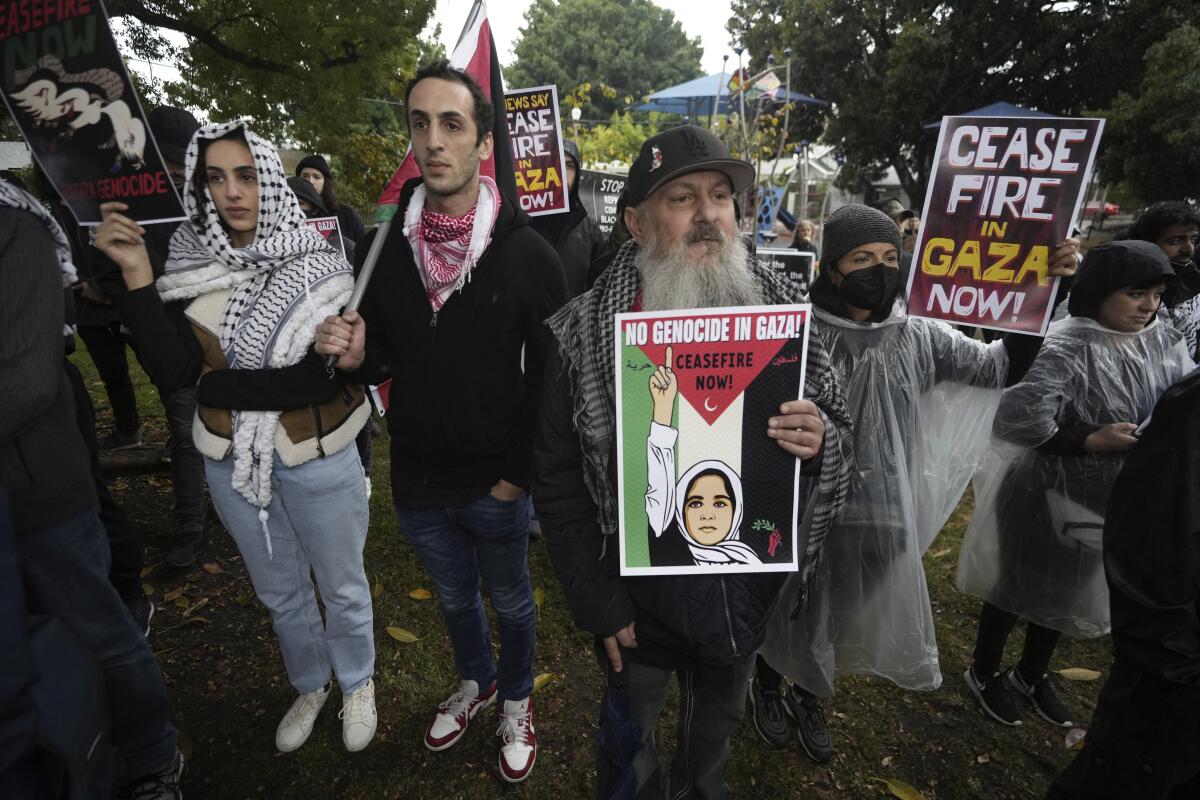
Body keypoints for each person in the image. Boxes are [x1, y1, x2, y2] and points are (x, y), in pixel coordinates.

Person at [530, 124, 851, 798]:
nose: (708, 216)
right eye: (681, 199)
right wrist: (596, 599)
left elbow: (841, 430)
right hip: (637, 611)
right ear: (636, 223)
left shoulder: (787, 315)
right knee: (631, 745)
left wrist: (819, 441)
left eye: (720, 196)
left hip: (745, 599)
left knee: (711, 744)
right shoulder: (581, 334)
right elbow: (557, 480)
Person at [752, 204, 1081, 762]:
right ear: (832, 267)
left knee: (844, 608)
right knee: (788, 601)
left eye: (889, 257)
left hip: (882, 507)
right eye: (862, 259)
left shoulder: (920, 337)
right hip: (804, 501)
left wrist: (1040, 289)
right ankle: (765, 685)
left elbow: (1002, 366)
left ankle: (810, 695)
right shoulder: (791, 334)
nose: (880, 271)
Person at [315, 60, 567, 783]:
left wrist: (515, 480)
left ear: (483, 142)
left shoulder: (527, 255)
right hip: (418, 480)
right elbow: (386, 355)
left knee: (512, 599)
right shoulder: (383, 249)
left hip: (496, 481)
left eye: (451, 123)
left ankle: (516, 698)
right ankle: (475, 680)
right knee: (456, 598)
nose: (433, 139)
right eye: (419, 123)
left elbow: (551, 381)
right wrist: (361, 356)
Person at [95, 120, 378, 754]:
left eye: (246, 175)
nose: (232, 192)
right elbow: (172, 373)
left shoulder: (320, 263)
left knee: (341, 583)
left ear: (270, 181)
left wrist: (216, 385)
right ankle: (312, 683)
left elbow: (309, 380)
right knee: (279, 592)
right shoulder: (188, 263)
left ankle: (358, 679)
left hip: (316, 452)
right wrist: (139, 271)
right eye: (215, 178)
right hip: (227, 461)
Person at [958, 240, 1193, 728]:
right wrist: (1090, 438)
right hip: (1043, 488)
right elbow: (1019, 422)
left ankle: (1032, 672)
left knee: (1070, 584)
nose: (1148, 305)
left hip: (1110, 494)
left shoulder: (1156, 337)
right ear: (1100, 292)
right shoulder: (1061, 343)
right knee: (1017, 582)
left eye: (1155, 293)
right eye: (1134, 293)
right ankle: (984, 671)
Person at [0, 176, 183, 798]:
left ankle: (152, 758)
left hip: (37, 491)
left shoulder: (14, 227)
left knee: (99, 631)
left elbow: (25, 383)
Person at [1045, 366, 1200, 799]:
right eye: (1136, 291)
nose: (1147, 303)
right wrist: (1174, 673)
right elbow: (1154, 545)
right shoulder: (1193, 408)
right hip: (1176, 680)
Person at [85, 105, 211, 570]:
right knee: (184, 430)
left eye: (186, 162)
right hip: (167, 343)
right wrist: (139, 293)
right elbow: (105, 277)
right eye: (170, 162)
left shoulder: (213, 198)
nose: (179, 171)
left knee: (232, 426)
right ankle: (191, 528)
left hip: (224, 338)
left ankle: (231, 506)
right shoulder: (122, 211)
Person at [530, 138, 609, 297]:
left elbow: (601, 285)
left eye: (569, 166)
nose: (562, 172)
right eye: (556, 163)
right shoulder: (526, 221)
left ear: (577, 172)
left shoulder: (590, 231)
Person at [1126, 201, 1200, 358]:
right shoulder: (1120, 289)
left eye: (1193, 240)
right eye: (1175, 241)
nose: (1189, 249)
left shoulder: (1193, 287)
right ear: (1146, 244)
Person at [295, 153, 367, 245]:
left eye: (317, 177)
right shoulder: (288, 215)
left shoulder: (348, 215)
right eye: (305, 176)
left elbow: (364, 252)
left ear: (325, 182)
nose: (310, 181)